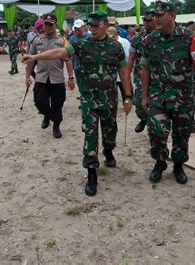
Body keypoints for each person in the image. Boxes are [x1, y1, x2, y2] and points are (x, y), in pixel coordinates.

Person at [22, 10, 133, 196]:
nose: (94, 28)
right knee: (90, 133)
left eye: (97, 25)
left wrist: (128, 96)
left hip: (110, 98)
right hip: (89, 98)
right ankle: (91, 172)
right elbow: (60, 52)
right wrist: (35, 57)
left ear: (107, 25)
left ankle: (108, 150)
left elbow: (123, 72)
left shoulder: (116, 48)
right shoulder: (81, 45)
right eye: (91, 25)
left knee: (110, 131)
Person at [141, 1, 195, 185]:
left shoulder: (190, 37)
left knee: (182, 134)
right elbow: (145, 70)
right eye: (154, 15)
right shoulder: (149, 40)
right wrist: (144, 95)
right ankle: (160, 162)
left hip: (183, 97)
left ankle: (178, 165)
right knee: (156, 131)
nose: (155, 19)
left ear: (172, 16)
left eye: (160, 15)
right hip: (158, 96)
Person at [25, 14, 75, 139]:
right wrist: (27, 76)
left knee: (58, 103)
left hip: (56, 78)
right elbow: (31, 60)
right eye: (46, 24)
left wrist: (70, 77)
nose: (48, 27)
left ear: (56, 25)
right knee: (39, 102)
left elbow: (68, 60)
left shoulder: (62, 42)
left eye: (50, 24)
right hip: (41, 77)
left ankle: (56, 126)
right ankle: (46, 115)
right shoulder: (37, 41)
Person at [127, 9, 155, 133]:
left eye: (149, 20)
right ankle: (143, 119)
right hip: (139, 75)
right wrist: (126, 75)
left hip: (156, 75)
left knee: (154, 102)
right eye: (145, 20)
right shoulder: (138, 39)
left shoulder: (160, 36)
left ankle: (153, 124)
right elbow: (131, 58)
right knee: (138, 102)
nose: (146, 23)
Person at [107, 26, 130, 102]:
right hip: (112, 73)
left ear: (115, 34)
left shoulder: (124, 42)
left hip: (122, 71)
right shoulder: (109, 43)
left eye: (112, 37)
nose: (110, 38)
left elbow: (128, 57)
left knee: (125, 91)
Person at [68, 19, 91, 87]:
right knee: (80, 84)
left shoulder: (90, 36)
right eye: (75, 28)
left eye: (78, 28)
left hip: (89, 65)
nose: (76, 29)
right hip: (77, 65)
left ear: (83, 27)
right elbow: (70, 52)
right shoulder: (72, 38)